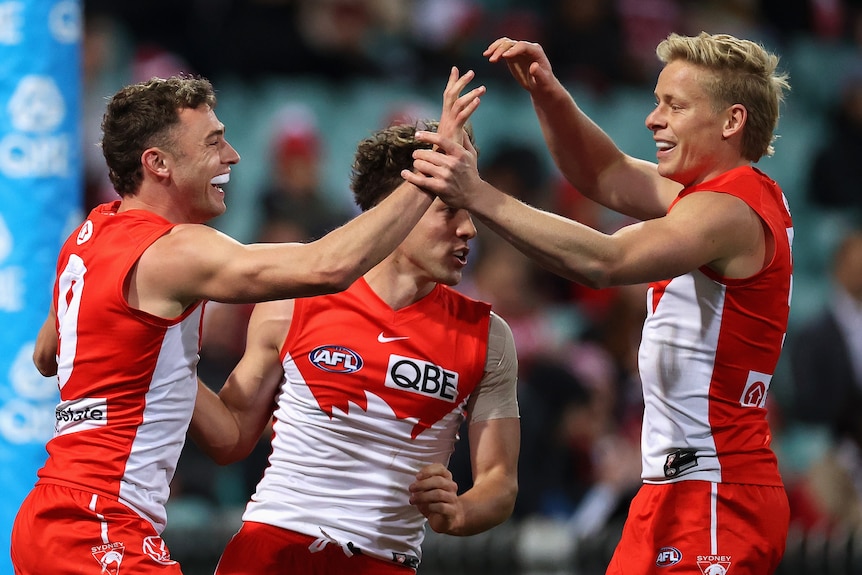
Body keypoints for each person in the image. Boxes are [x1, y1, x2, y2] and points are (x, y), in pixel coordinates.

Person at [11, 68, 484, 574]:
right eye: (214, 143)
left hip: (54, 514)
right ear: (158, 163)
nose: (232, 156)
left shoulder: (92, 233)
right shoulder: (175, 250)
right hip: (98, 521)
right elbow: (327, 266)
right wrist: (431, 175)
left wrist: (154, 371)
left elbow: (47, 354)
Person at [403, 32, 794, 574]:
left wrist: (477, 193)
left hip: (716, 496)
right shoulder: (715, 195)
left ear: (731, 122)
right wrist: (548, 93)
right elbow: (604, 175)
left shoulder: (728, 210)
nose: (652, 120)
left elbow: (603, 262)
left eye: (673, 106)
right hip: (677, 490)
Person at [188, 119, 520, 575]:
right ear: (400, 207)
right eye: (450, 211)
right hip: (272, 550)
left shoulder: (489, 336)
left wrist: (459, 512)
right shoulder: (293, 303)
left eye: (470, 212)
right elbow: (230, 439)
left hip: (386, 560)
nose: (469, 230)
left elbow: (500, 482)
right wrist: (166, 362)